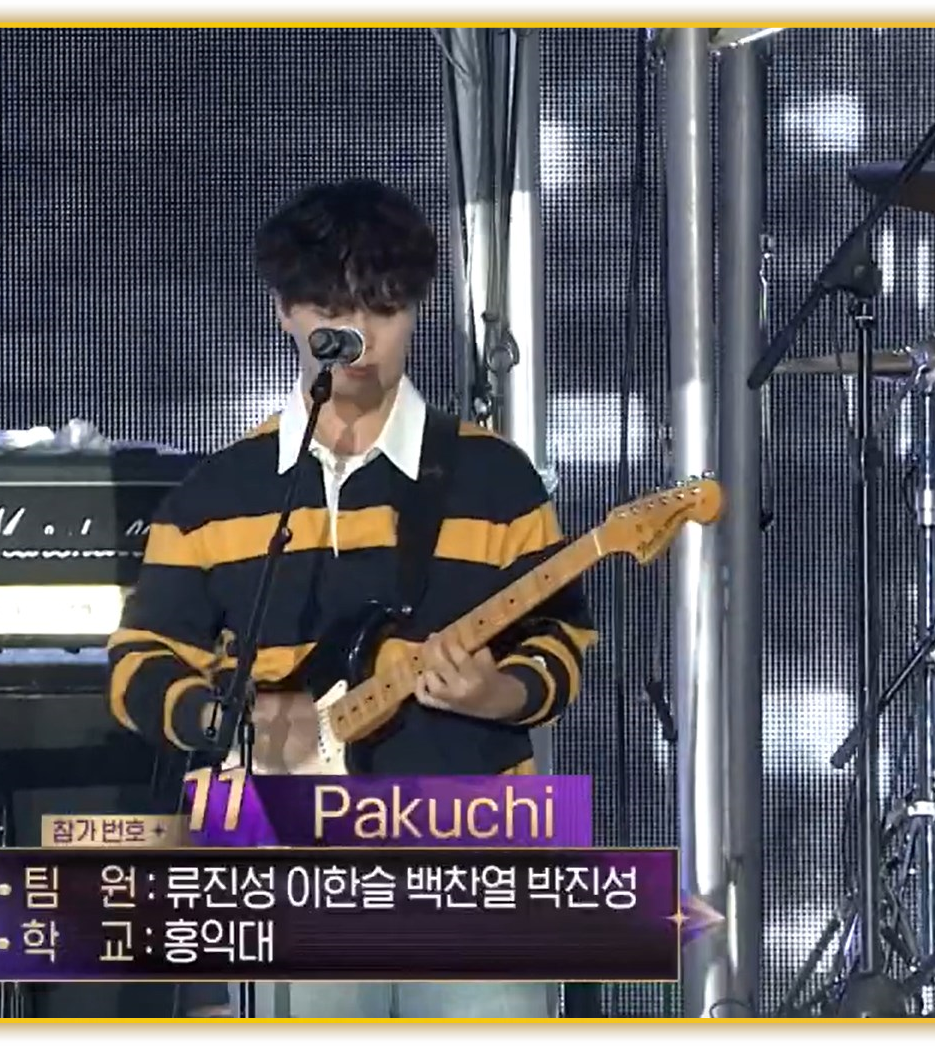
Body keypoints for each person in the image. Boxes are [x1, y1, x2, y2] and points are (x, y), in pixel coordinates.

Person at [106, 178, 596, 1019]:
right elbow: (139, 663)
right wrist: (232, 721)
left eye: (383, 308)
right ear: (284, 313)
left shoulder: (495, 477)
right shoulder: (215, 495)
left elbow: (560, 645)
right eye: (332, 311)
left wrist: (494, 692)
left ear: (417, 310)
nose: (359, 339)